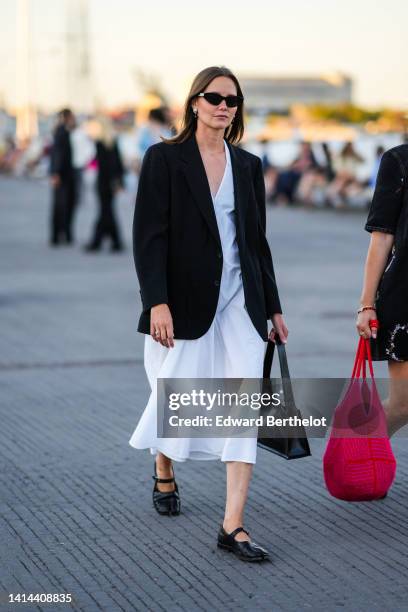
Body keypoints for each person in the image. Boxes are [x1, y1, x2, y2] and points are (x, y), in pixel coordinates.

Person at [129, 65, 288, 562]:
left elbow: (256, 243)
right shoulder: (164, 159)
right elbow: (148, 236)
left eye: (232, 100)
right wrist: (156, 300)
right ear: (194, 101)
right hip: (184, 301)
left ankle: (232, 525)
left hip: (242, 302)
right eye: (214, 97)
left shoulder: (247, 164)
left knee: (244, 402)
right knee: (174, 388)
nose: (224, 106)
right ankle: (165, 466)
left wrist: (274, 308)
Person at [357, 143, 408, 438]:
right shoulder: (399, 160)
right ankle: (356, 461)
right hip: (404, 296)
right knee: (403, 404)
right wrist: (367, 303)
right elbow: (381, 237)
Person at [84, 116, 125, 252]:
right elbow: (118, 164)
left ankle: (98, 242)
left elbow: (110, 165)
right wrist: (119, 181)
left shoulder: (101, 143)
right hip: (109, 183)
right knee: (107, 212)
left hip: (104, 183)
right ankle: (115, 241)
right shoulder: (112, 142)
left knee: (105, 212)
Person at [49, 108, 77, 245]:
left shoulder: (60, 131)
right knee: (63, 206)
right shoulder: (62, 132)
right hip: (63, 176)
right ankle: (61, 235)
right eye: (72, 117)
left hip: (62, 174)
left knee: (61, 206)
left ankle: (60, 235)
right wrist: (56, 173)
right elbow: (58, 154)